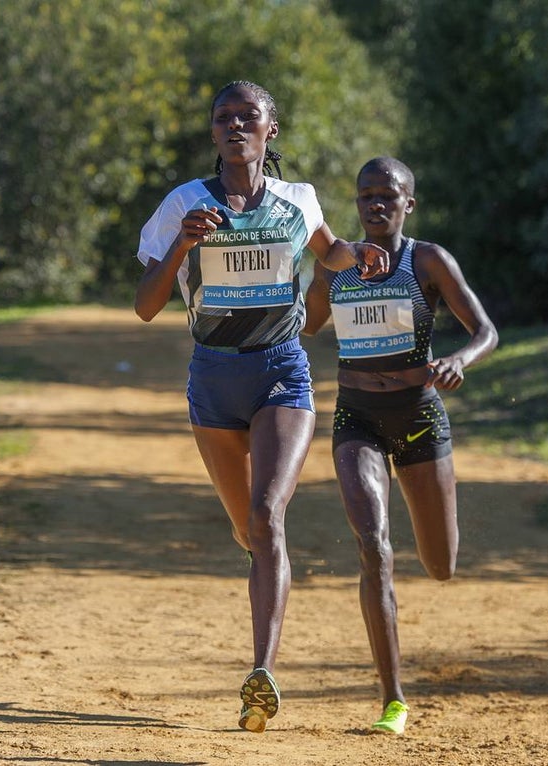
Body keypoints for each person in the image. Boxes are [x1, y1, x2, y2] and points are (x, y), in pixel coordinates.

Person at [134, 80, 389, 734]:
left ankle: (261, 675)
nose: (235, 124)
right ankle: (254, 544)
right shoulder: (184, 204)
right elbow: (145, 303)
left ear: (271, 130)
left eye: (249, 116)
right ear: (213, 132)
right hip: (212, 383)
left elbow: (327, 250)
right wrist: (184, 245)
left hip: (282, 374)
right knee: (249, 528)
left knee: (269, 515)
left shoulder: (296, 199)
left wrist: (357, 256)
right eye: (224, 117)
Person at [303, 156, 499, 734]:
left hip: (419, 418)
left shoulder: (428, 260)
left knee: (440, 564)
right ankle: (393, 697)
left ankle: (434, 562)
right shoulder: (338, 263)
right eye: (366, 196)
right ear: (357, 203)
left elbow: (485, 331)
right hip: (356, 417)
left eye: (388, 195)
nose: (376, 205)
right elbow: (308, 324)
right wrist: (320, 273)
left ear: (408, 203)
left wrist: (459, 361)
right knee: (374, 547)